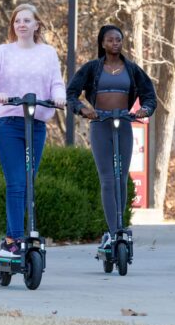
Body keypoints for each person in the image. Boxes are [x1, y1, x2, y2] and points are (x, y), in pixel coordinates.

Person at [0, 3, 66, 258]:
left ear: (37, 24)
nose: (22, 24)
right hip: (10, 125)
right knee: (16, 183)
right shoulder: (3, 52)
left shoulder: (48, 53)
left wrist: (59, 99)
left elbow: (56, 84)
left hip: (36, 125)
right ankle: (14, 239)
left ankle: (13, 238)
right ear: (13, 26)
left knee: (27, 184)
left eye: (27, 20)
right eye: (18, 21)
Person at [66, 24, 157, 250]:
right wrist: (83, 109)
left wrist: (145, 110)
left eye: (118, 39)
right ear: (102, 43)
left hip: (124, 124)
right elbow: (71, 94)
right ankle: (114, 231)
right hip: (101, 125)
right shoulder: (91, 69)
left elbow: (149, 95)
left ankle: (121, 228)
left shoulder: (132, 69)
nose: (115, 43)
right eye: (110, 40)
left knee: (121, 177)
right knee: (107, 179)